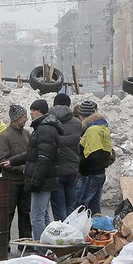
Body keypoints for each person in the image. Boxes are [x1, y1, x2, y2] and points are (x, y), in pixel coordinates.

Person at [24, 99, 62, 243]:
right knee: (43, 215)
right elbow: (34, 153)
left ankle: (42, 249)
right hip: (46, 179)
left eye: (33, 110)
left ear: (39, 111)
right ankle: (49, 247)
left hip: (42, 181)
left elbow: (44, 158)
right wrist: (13, 160)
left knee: (36, 217)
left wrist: (35, 180)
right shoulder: (43, 127)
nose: (31, 113)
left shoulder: (45, 129)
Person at [0, 104, 32, 241]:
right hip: (11, 182)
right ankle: (4, 242)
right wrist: (21, 168)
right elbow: (1, 161)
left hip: (25, 182)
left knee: (25, 212)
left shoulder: (26, 134)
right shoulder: (5, 136)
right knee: (8, 212)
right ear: (16, 118)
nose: (26, 119)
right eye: (24, 117)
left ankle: (25, 241)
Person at [75, 100, 112, 214]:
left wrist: (80, 166)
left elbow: (93, 155)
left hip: (90, 175)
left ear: (81, 115)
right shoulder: (102, 127)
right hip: (99, 173)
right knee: (94, 208)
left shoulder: (92, 130)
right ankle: (97, 230)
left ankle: (77, 231)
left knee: (78, 207)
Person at [48, 93, 81, 221]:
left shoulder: (50, 122)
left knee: (58, 207)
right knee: (70, 206)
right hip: (72, 169)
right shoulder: (77, 123)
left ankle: (62, 233)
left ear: (54, 105)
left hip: (56, 170)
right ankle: (71, 231)